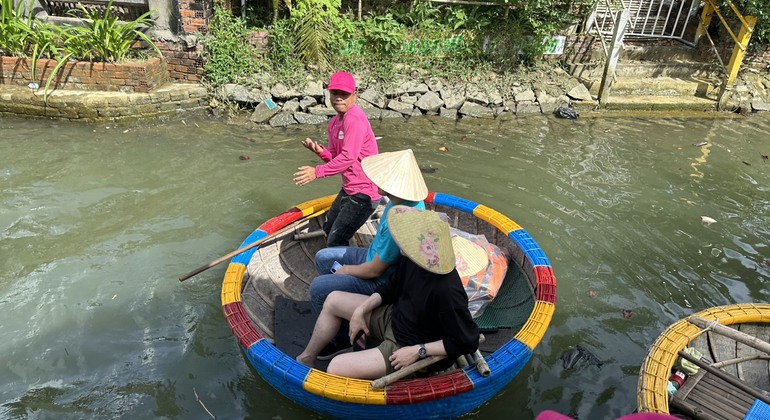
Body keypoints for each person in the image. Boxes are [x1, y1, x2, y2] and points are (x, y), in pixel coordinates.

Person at [296, 207, 482, 380]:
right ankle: (307, 357)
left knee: (336, 367)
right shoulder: (411, 259)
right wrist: (362, 309)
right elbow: (390, 288)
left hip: (409, 345)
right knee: (333, 300)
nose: (399, 241)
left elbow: (467, 340)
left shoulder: (447, 289)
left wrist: (418, 351)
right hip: (394, 318)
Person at [309, 149, 428, 359]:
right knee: (322, 257)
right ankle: (341, 315)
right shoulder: (398, 200)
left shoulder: (401, 217)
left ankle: (342, 335)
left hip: (380, 279)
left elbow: (375, 271)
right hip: (371, 257)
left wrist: (346, 270)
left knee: (318, 289)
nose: (374, 180)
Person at [293, 71, 381, 248]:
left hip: (365, 193)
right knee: (328, 227)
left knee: (336, 239)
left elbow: (348, 157)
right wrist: (320, 152)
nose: (339, 98)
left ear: (354, 96)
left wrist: (316, 172)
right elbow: (337, 158)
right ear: (329, 94)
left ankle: (342, 273)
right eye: (335, 93)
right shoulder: (334, 122)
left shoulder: (354, 119)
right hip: (349, 188)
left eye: (344, 94)